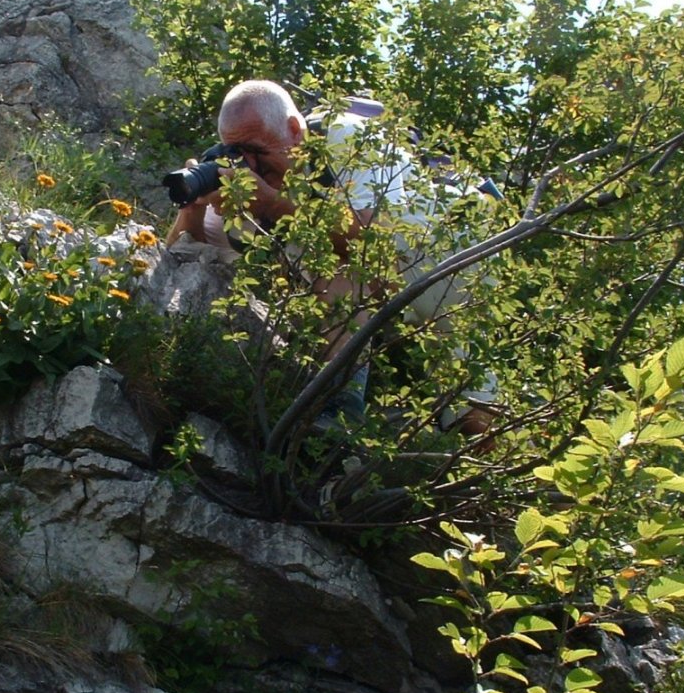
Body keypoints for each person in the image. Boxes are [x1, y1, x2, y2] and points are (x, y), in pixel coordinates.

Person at [165, 78, 495, 435]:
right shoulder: (244, 181)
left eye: (255, 150)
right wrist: (193, 208)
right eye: (234, 151)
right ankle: (341, 414)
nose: (248, 166)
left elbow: (372, 238)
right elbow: (179, 255)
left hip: (454, 262)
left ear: (294, 130)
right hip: (382, 288)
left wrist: (272, 203)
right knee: (329, 259)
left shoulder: (348, 136)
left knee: (475, 424)